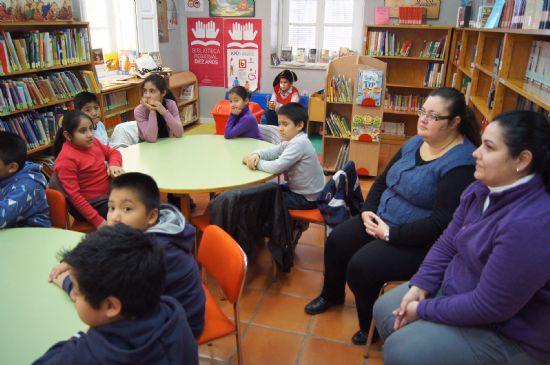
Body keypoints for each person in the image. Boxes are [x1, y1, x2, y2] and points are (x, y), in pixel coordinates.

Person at [304, 87, 481, 346]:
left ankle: (371, 327)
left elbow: (440, 224)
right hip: (382, 219)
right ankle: (332, 295)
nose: (423, 119)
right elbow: (382, 180)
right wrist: (367, 211)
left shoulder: (461, 164)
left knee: (361, 267)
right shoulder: (416, 142)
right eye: (423, 111)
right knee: (337, 241)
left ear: (455, 122)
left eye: (433, 116)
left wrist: (389, 234)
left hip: (417, 240)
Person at [372, 110, 550, 365]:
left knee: (401, 351)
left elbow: (491, 306)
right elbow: (447, 242)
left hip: (509, 332)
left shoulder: (531, 224)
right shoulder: (481, 187)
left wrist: (422, 309)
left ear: (522, 159)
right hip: (462, 290)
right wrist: (421, 284)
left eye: (488, 147)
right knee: (384, 311)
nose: (475, 153)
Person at [49, 172, 205, 338]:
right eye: (111, 207)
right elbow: (102, 240)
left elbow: (105, 296)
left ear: (151, 216)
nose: (115, 217)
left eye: (127, 209)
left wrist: (69, 283)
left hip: (177, 329)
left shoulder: (156, 251)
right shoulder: (143, 230)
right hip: (159, 311)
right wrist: (73, 260)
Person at [35, 224, 198, 365]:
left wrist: (82, 335)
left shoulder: (85, 356)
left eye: (77, 292)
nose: (74, 296)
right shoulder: (173, 311)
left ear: (111, 306)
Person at [242, 102, 324, 210]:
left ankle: (278, 225)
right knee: (266, 192)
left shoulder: (299, 143)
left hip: (306, 198)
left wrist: (256, 163)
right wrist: (257, 154)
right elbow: (274, 151)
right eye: (279, 123)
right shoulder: (293, 140)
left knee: (262, 201)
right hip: (305, 191)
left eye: (285, 124)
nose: (280, 128)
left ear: (299, 125)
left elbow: (277, 167)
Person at [53, 110, 123, 228]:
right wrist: (98, 221)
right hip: (90, 205)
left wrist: (114, 164)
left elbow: (113, 152)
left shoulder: (93, 142)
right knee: (127, 218)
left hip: (108, 195)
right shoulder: (66, 160)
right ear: (67, 136)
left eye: (91, 128)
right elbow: (75, 197)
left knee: (138, 204)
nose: (90, 134)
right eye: (83, 131)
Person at [0, 131, 50, 228]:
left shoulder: (26, 186)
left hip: (33, 237)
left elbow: (1, 218)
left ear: (12, 167)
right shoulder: (4, 173)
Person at [134, 74, 183, 142]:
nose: (147, 95)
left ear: (163, 93)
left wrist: (164, 112)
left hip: (167, 144)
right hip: (147, 147)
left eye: (152, 91)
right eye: (145, 91)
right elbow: (151, 138)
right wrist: (152, 110)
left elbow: (179, 133)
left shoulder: (171, 104)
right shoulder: (139, 110)